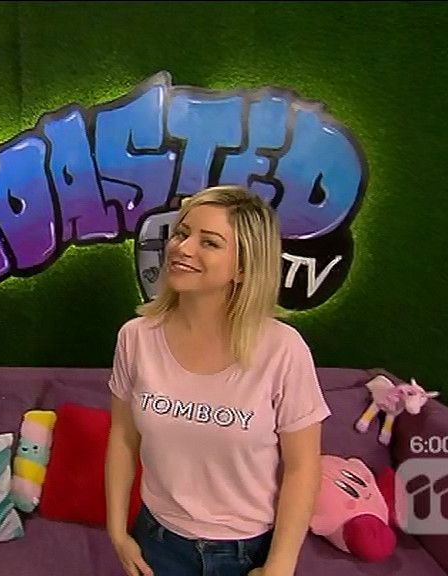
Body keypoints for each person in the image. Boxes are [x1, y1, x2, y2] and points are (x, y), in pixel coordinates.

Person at [104, 185, 330, 576]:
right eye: (181, 233)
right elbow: (123, 438)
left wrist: (280, 564)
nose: (182, 248)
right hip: (158, 542)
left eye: (209, 242)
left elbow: (302, 467)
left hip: (246, 551)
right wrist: (116, 531)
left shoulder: (284, 349)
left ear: (243, 267)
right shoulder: (136, 337)